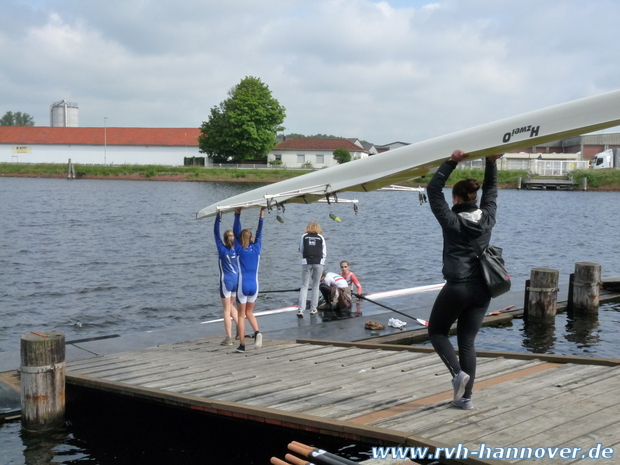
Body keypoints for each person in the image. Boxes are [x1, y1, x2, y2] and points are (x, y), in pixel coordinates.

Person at [426, 150, 503, 410]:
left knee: (436, 332)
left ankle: (457, 373)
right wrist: (491, 163)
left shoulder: (451, 221)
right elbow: (492, 191)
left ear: (456, 198)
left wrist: (451, 161)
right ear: (475, 198)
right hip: (484, 289)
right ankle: (465, 399)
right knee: (467, 341)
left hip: (458, 287)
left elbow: (432, 190)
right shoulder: (488, 218)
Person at [233, 206, 266, 353]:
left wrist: (237, 214)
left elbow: (235, 230)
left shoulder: (239, 248)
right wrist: (261, 214)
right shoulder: (257, 247)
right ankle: (257, 332)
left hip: (243, 285)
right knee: (250, 313)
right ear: (251, 238)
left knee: (241, 315)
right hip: (255, 285)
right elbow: (260, 232)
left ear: (240, 239)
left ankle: (242, 345)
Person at [214, 212, 239, 346]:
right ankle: (240, 329)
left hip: (226, 281)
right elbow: (238, 231)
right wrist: (237, 215)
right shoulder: (237, 249)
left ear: (224, 240)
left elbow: (215, 233)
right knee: (230, 305)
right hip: (236, 281)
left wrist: (218, 217)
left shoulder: (222, 249)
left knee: (225, 309)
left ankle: (228, 338)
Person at [297, 222, 326, 317]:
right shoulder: (320, 237)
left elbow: (301, 249)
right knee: (316, 286)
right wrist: (322, 263)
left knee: (304, 286)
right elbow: (324, 252)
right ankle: (313, 309)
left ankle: (301, 309)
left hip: (306, 262)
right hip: (318, 262)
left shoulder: (304, 236)